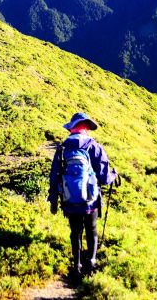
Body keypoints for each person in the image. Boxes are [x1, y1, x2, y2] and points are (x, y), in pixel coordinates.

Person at [48, 112, 118, 279]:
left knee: (75, 231)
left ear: (72, 128)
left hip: (69, 199)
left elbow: (55, 175)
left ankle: (77, 265)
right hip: (91, 200)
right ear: (87, 128)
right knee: (92, 229)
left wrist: (53, 199)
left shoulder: (63, 148)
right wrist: (114, 175)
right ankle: (91, 261)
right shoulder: (94, 146)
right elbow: (103, 177)